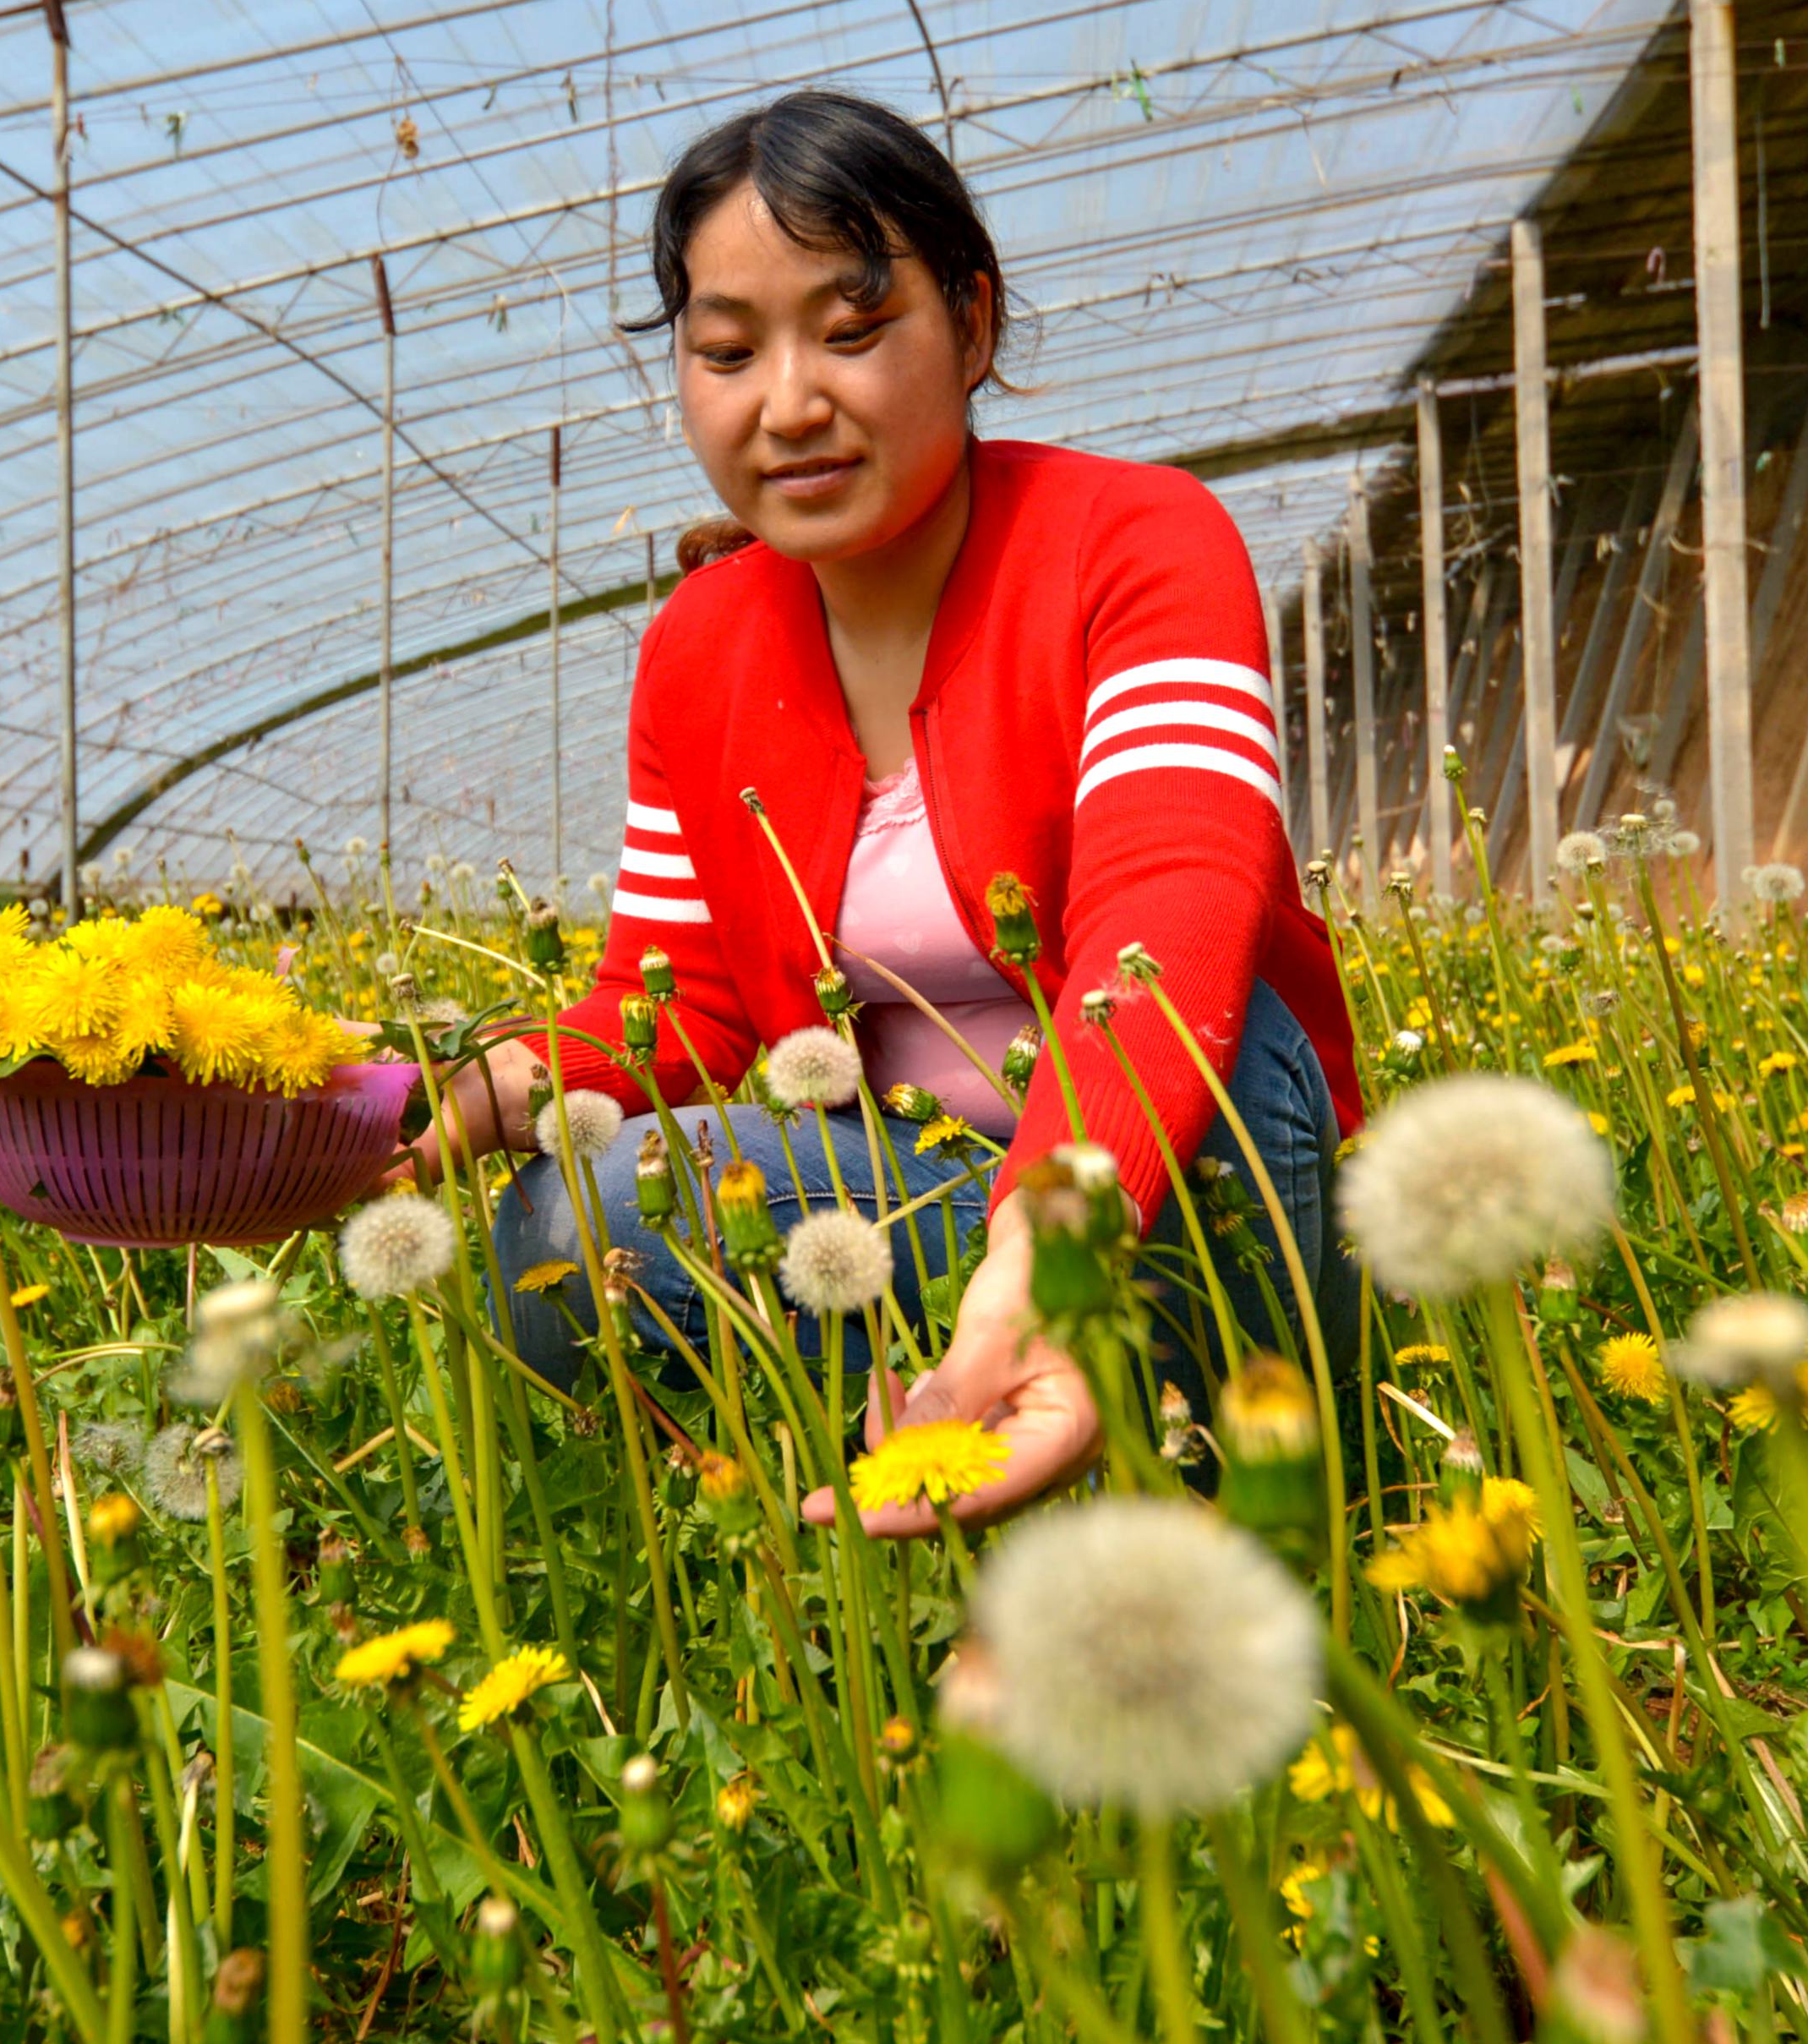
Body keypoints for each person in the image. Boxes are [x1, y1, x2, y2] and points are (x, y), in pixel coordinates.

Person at [413, 89, 1360, 1536]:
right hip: (914, 1193)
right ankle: (891, 1461)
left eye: (852, 332)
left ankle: (1197, 1425)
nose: (788, 402)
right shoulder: (700, 648)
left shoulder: (1138, 542)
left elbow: (1169, 918)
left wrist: (1049, 1244)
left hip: (1188, 1177)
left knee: (1212, 1046)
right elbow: (680, 1008)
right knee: (571, 1220)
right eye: (728, 351)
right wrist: (440, 1105)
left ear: (972, 328)